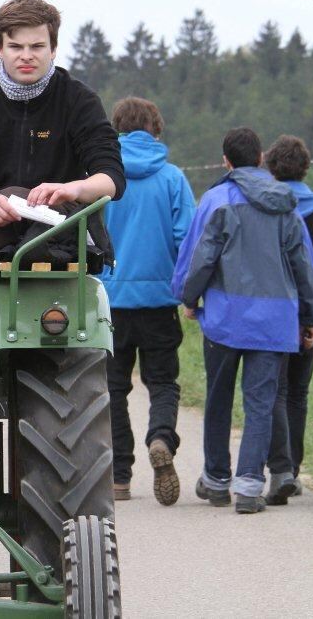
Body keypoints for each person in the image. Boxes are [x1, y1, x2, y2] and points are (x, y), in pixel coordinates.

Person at [0, 0, 125, 379]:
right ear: (0, 49)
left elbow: (111, 178)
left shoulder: (79, 99)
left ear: (53, 48)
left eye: (37, 46)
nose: (27, 55)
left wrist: (72, 188)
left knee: (15, 194)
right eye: (16, 46)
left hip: (56, 222)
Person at [172, 127, 313, 514]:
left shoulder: (217, 200)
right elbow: (303, 266)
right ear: (260, 159)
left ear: (226, 161)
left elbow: (201, 256)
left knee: (218, 399)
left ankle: (217, 481)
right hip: (274, 322)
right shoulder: (286, 203)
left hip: (224, 318)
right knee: (261, 404)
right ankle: (250, 487)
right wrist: (308, 316)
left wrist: (188, 297)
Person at [100, 97, 196, 505]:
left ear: (116, 131)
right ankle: (160, 437)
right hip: (159, 300)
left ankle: (120, 475)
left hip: (112, 299)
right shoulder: (173, 179)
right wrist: (189, 291)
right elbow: (188, 239)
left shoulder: (103, 179)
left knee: (113, 388)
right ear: (156, 129)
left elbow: (90, 234)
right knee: (162, 383)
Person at [263, 134, 313, 503]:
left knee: (278, 391)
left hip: (279, 309)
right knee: (299, 392)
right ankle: (294, 467)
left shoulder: (268, 208)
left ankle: (283, 469)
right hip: (312, 311)